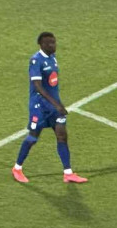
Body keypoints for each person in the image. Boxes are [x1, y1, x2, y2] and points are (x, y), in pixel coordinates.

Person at [12, 32, 88, 184]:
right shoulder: (36, 61)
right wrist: (57, 105)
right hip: (39, 106)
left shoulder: (53, 58)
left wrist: (56, 103)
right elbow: (38, 86)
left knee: (62, 135)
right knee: (33, 138)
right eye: (49, 43)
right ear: (41, 45)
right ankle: (17, 168)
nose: (53, 45)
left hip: (54, 105)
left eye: (54, 42)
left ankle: (68, 173)